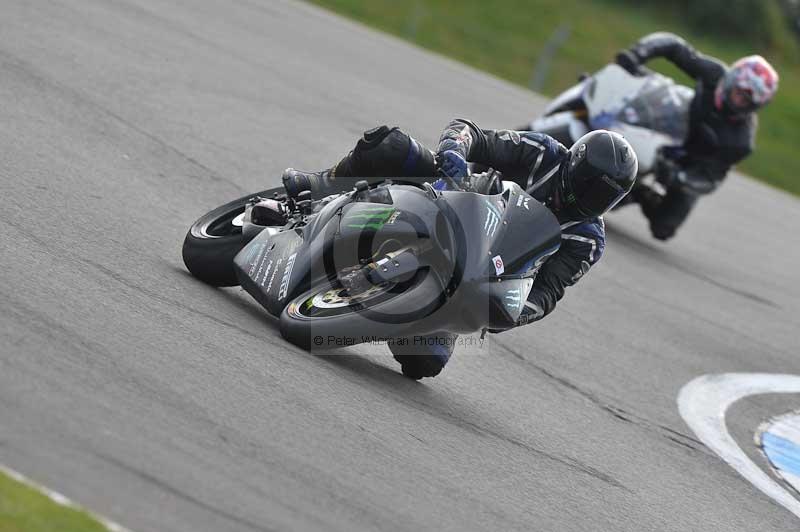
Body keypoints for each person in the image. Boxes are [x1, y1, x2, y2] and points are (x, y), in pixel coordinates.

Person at [283, 119, 637, 378]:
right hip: (451, 200)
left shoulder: (588, 238)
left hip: (471, 281)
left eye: (607, 197)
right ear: (575, 166)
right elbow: (472, 133)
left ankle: (373, 309)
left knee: (425, 362)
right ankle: (320, 186)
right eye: (592, 187)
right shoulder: (543, 152)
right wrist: (456, 148)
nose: (594, 200)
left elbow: (548, 292)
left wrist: (514, 311)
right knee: (389, 144)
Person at [615, 32, 778, 240]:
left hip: (688, 163)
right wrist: (637, 54)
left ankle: (638, 193)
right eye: (738, 92)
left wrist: (679, 177)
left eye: (746, 100)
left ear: (756, 105)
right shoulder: (714, 74)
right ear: (731, 79)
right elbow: (673, 46)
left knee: (663, 229)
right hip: (672, 121)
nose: (738, 100)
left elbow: (711, 178)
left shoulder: (741, 141)